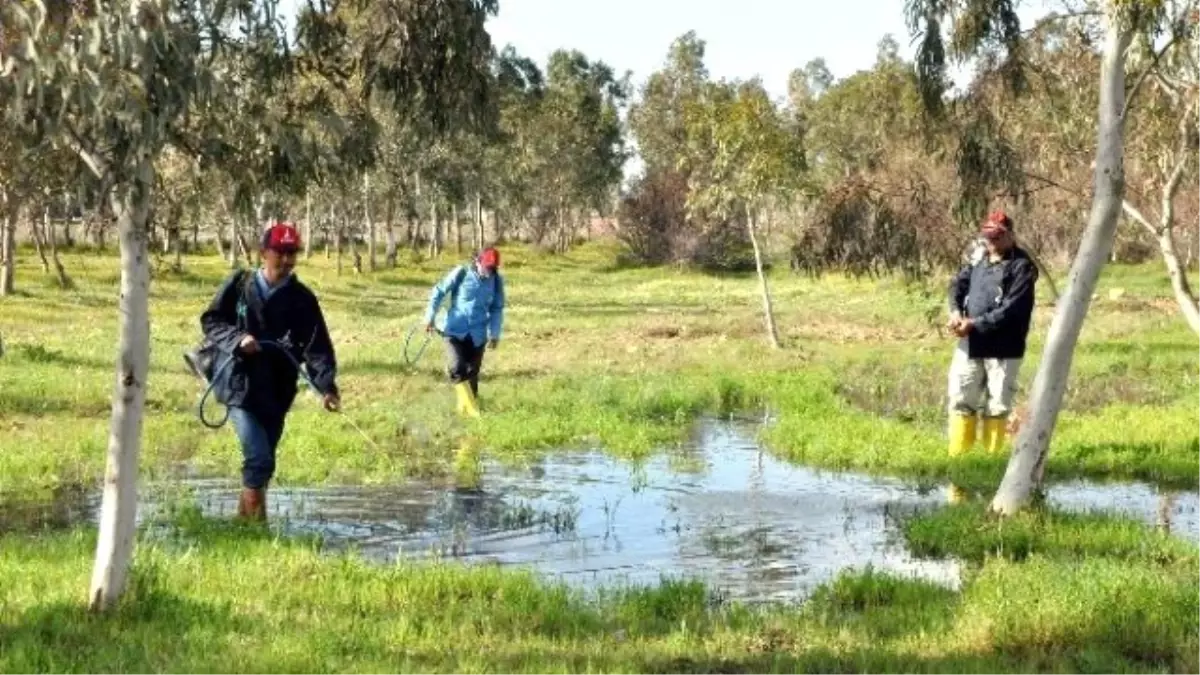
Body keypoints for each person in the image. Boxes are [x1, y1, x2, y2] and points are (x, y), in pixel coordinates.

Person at [191, 222, 341, 521]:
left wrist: (326, 387)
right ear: (264, 253)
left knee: (264, 463)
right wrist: (237, 339)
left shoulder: (303, 299)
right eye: (280, 252)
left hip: (278, 391)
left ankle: (241, 524)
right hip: (238, 385)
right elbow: (212, 321)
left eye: (292, 253)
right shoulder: (238, 285)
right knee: (258, 458)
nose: (286, 260)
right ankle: (259, 531)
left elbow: (317, 347)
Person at [945, 210, 1039, 460]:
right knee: (960, 399)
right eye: (987, 237)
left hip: (1004, 348)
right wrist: (955, 312)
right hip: (970, 344)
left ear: (1009, 235)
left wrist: (974, 324)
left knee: (997, 406)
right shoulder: (979, 259)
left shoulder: (1022, 267)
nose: (991, 242)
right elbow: (957, 284)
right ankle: (959, 459)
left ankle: (992, 461)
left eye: (996, 237)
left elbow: (1011, 310)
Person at [423, 247, 506, 417]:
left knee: (471, 376)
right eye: (486, 266)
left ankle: (464, 413)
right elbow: (438, 292)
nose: (489, 271)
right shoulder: (461, 273)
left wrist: (495, 333)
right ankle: (474, 412)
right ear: (477, 261)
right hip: (454, 331)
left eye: (493, 268)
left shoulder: (496, 281)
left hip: (477, 336)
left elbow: (497, 308)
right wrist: (429, 317)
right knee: (456, 367)